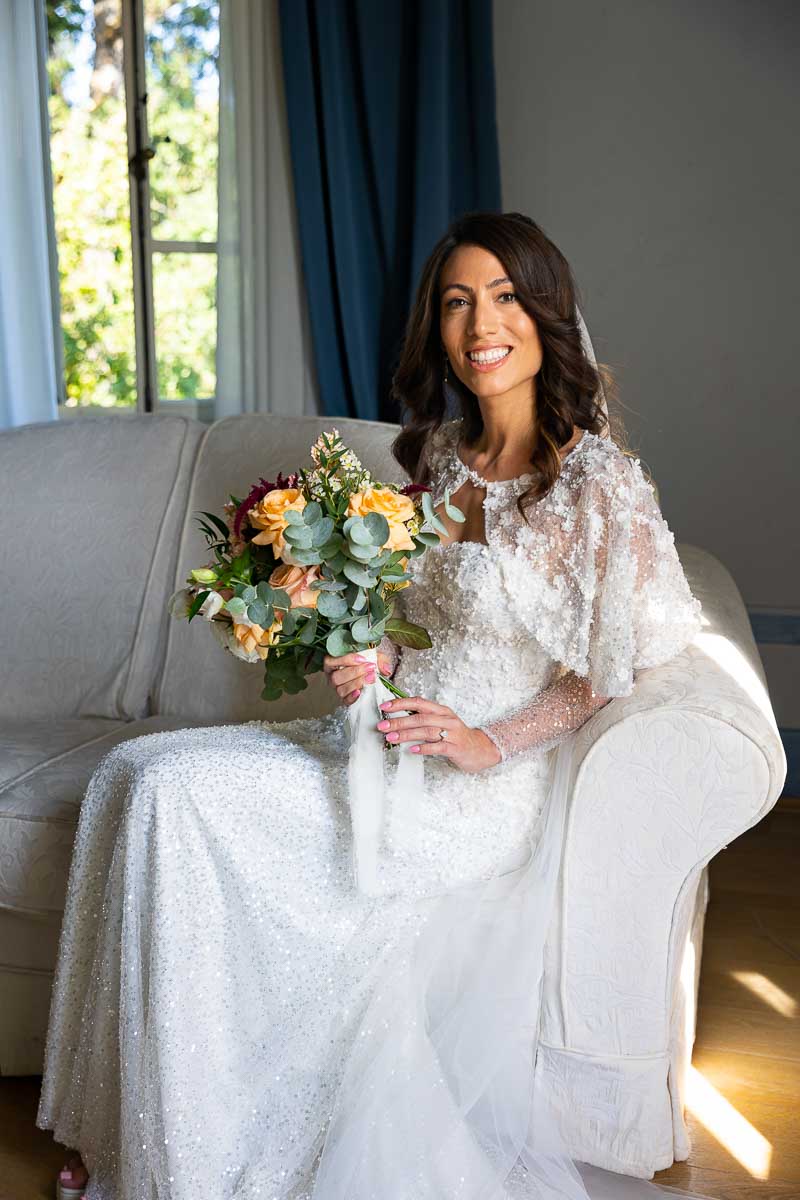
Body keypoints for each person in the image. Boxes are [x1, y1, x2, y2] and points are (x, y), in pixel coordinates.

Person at [39, 211, 711, 1200]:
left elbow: (615, 664)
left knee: (174, 803)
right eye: (454, 302)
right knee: (135, 775)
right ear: (435, 328)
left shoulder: (591, 478)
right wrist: (357, 650)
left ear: (544, 315)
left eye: (503, 297)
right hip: (379, 736)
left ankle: (185, 1164)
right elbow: (405, 627)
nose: (479, 323)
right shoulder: (438, 459)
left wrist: (492, 740)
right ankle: (144, 1131)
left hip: (475, 788)